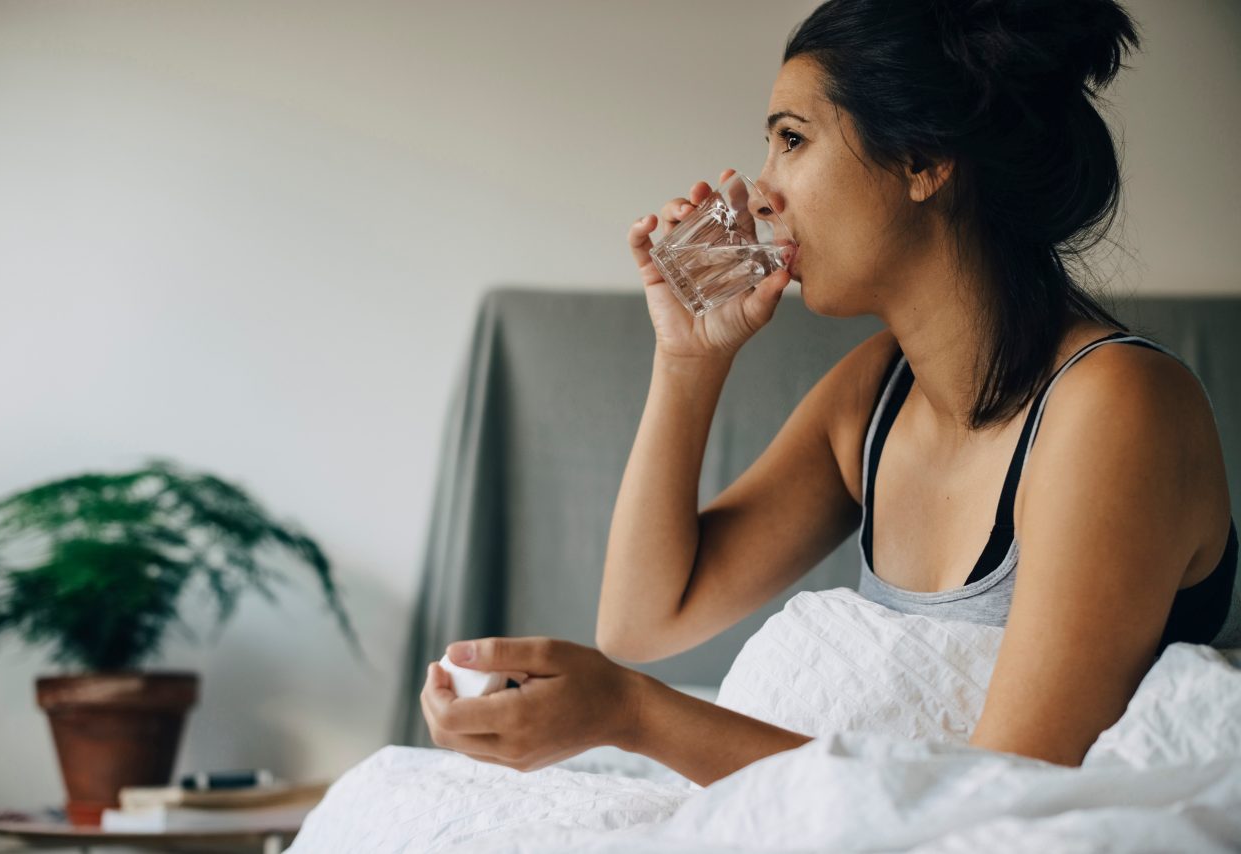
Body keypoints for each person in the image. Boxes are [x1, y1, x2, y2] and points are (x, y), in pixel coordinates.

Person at [419, 0, 1239, 787]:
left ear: (923, 161)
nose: (762, 189)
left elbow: (1005, 794)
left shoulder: (1119, 407)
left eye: (792, 139)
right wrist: (687, 360)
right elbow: (642, 619)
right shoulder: (876, 394)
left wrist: (634, 715)